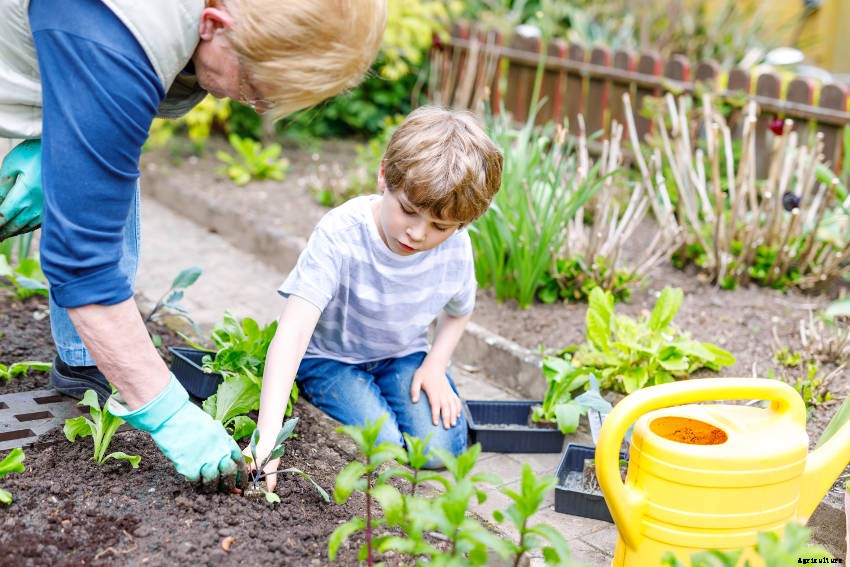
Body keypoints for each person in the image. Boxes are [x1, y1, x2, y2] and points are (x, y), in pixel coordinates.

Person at [0, 0, 387, 491]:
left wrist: (65, 140)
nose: (257, 106)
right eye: (257, 88)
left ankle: (85, 358)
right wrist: (169, 413)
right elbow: (83, 266)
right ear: (213, 25)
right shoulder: (121, 24)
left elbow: (92, 79)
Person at [247, 105, 504, 490]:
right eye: (408, 211)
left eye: (440, 226)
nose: (418, 234)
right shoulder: (341, 234)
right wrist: (267, 437)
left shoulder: (455, 247)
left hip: (401, 355)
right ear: (384, 175)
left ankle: (384, 396)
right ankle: (335, 397)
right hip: (331, 360)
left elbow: (459, 311)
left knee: (441, 451)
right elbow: (294, 332)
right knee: (384, 449)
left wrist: (435, 365)